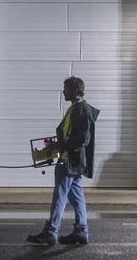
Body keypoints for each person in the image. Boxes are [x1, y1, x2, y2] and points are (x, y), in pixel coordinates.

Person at [27, 76, 99, 246]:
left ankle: (51, 231)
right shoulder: (76, 109)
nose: (63, 91)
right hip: (73, 160)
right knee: (77, 196)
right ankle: (81, 231)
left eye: (66, 88)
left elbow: (82, 139)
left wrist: (61, 145)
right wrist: (57, 143)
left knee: (59, 194)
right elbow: (73, 136)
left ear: (75, 90)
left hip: (68, 160)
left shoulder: (81, 109)